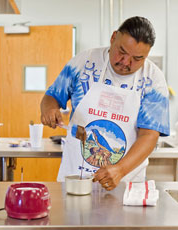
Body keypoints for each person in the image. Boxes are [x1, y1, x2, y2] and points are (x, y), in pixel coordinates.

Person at [40, 16, 170, 191]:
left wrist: (120, 170)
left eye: (137, 59)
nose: (126, 63)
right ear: (113, 37)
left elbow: (149, 135)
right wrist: (49, 109)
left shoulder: (153, 80)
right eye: (121, 52)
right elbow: (52, 96)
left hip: (126, 182)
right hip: (75, 178)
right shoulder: (84, 62)